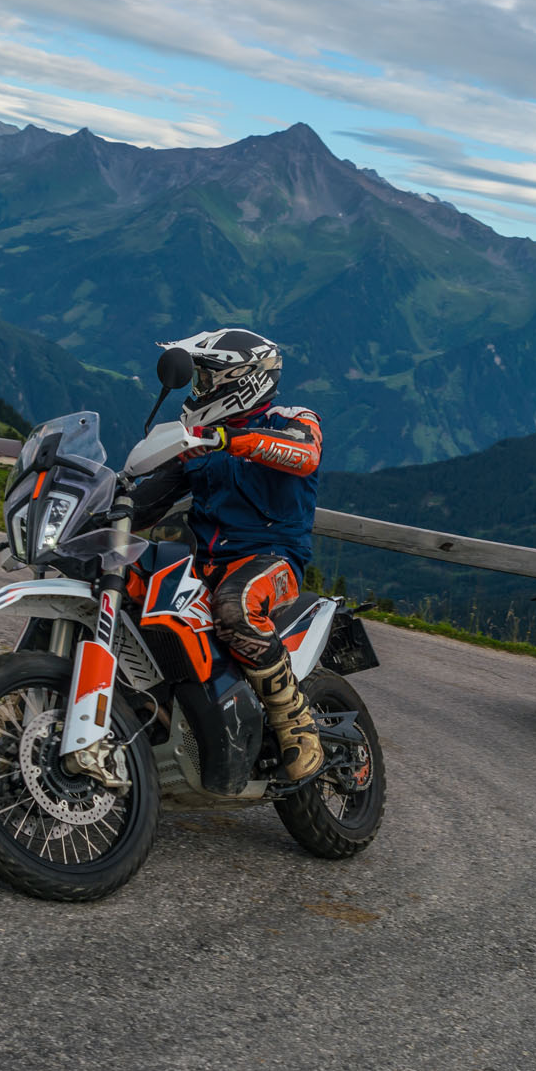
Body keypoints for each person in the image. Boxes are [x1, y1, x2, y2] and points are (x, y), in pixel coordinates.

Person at [130, 328, 328, 782]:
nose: (198, 389)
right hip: (206, 563)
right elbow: (146, 504)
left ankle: (294, 719)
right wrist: (103, 508)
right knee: (118, 576)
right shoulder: (197, 443)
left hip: (273, 560)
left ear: (243, 378)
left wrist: (226, 438)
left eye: (206, 379)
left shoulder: (291, 418)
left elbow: (304, 456)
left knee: (234, 607)